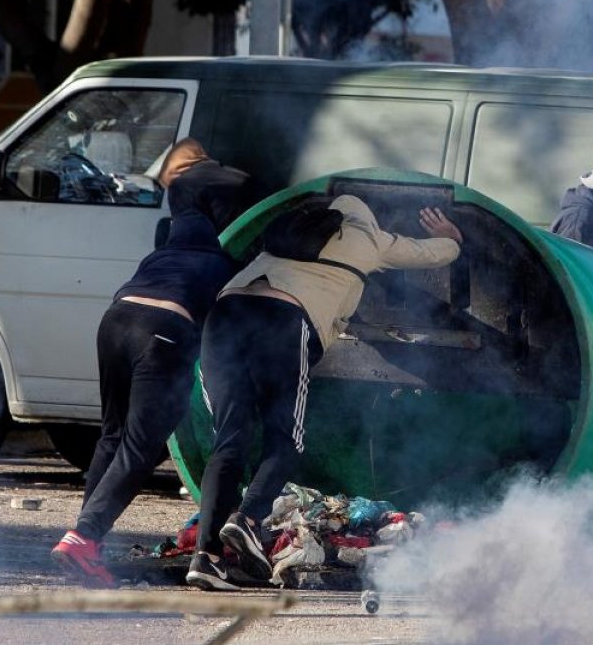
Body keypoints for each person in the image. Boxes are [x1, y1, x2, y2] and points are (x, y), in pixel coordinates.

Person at [185, 195, 464, 591]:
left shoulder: (287, 231)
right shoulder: (369, 236)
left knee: (229, 442)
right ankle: (246, 519)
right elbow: (431, 254)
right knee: (286, 440)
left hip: (225, 315)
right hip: (282, 321)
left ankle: (206, 559)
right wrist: (452, 239)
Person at [50, 212, 239, 588]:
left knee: (112, 436)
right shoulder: (220, 263)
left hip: (113, 323)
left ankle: (89, 543)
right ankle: (84, 538)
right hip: (161, 332)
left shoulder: (156, 259)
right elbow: (227, 327)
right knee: (140, 446)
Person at [159, 138, 264, 233]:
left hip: (221, 247)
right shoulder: (240, 176)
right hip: (254, 243)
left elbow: (186, 235)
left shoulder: (181, 185)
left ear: (173, 169)